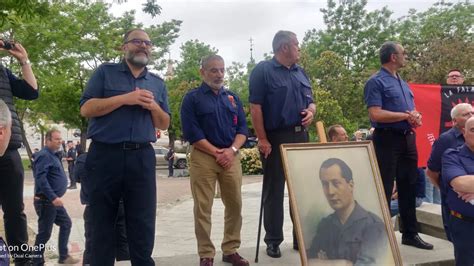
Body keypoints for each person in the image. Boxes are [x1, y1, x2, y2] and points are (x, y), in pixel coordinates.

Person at [80, 28, 170, 265]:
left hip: (141, 157)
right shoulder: (104, 73)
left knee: (142, 221)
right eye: (137, 41)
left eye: (148, 43)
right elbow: (86, 108)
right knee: (101, 220)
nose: (143, 46)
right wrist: (125, 99)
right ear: (124, 47)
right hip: (104, 155)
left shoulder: (157, 83)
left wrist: (153, 107)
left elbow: (164, 122)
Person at [249, 30, 316, 258]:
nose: (299, 48)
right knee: (274, 190)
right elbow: (255, 107)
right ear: (284, 47)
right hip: (276, 137)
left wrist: (311, 112)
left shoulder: (300, 71)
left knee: (302, 191)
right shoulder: (263, 71)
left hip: (301, 136)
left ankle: (301, 238)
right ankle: (273, 240)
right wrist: (263, 138)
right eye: (296, 44)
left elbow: (312, 101)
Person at [181, 55, 249, 266]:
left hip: (231, 156)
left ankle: (230, 249)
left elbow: (243, 130)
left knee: (235, 205)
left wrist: (232, 150)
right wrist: (217, 152)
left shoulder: (233, 98)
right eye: (213, 70)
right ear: (202, 72)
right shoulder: (191, 99)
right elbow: (192, 132)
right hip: (204, 157)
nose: (219, 74)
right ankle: (206, 253)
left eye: (221, 70)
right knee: (203, 207)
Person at [363, 41, 433, 250]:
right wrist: (405, 115)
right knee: (383, 187)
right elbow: (375, 113)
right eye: (403, 53)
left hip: (407, 138)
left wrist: (415, 116)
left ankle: (410, 234)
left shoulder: (403, 83)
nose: (406, 56)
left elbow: (410, 110)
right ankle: (379, 238)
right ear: (393, 57)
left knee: (408, 186)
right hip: (386, 139)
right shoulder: (375, 82)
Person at [0, 38, 38, 265]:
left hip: (9, 148)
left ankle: (22, 260)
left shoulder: (3, 72)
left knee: (15, 211)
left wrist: (24, 60)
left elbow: (31, 92)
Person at [307, 158, 388, 265]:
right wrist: (345, 263)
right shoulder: (325, 225)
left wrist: (326, 263)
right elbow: (308, 261)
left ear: (351, 185)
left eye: (336, 183)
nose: (330, 192)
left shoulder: (373, 225)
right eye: (325, 184)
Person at [427, 103, 473, 241]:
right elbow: (432, 171)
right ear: (454, 121)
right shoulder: (446, 140)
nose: (471, 115)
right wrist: (448, 189)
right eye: (466, 114)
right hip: (457, 208)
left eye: (472, 112)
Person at [32, 129, 79, 265]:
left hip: (53, 202)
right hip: (47, 201)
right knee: (44, 233)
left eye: (60, 139)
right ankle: (37, 261)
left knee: (66, 223)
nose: (60, 141)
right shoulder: (44, 155)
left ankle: (63, 256)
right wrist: (53, 197)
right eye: (56, 139)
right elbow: (41, 179)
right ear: (48, 140)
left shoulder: (53, 155)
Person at [74, 152, 130, 264]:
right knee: (121, 242)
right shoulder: (117, 156)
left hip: (93, 206)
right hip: (117, 204)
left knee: (92, 242)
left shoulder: (82, 160)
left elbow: (77, 178)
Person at [442, 116, 474, 265]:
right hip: (466, 227)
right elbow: (460, 183)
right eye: (473, 130)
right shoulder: (452, 155)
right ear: (464, 132)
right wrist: (466, 185)